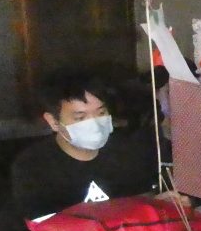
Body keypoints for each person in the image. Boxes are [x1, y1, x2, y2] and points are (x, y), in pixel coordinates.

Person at [12, 70, 159, 221]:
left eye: (101, 113)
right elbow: (42, 224)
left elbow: (144, 202)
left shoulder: (128, 151)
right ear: (53, 121)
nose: (94, 124)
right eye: (80, 118)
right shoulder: (33, 166)